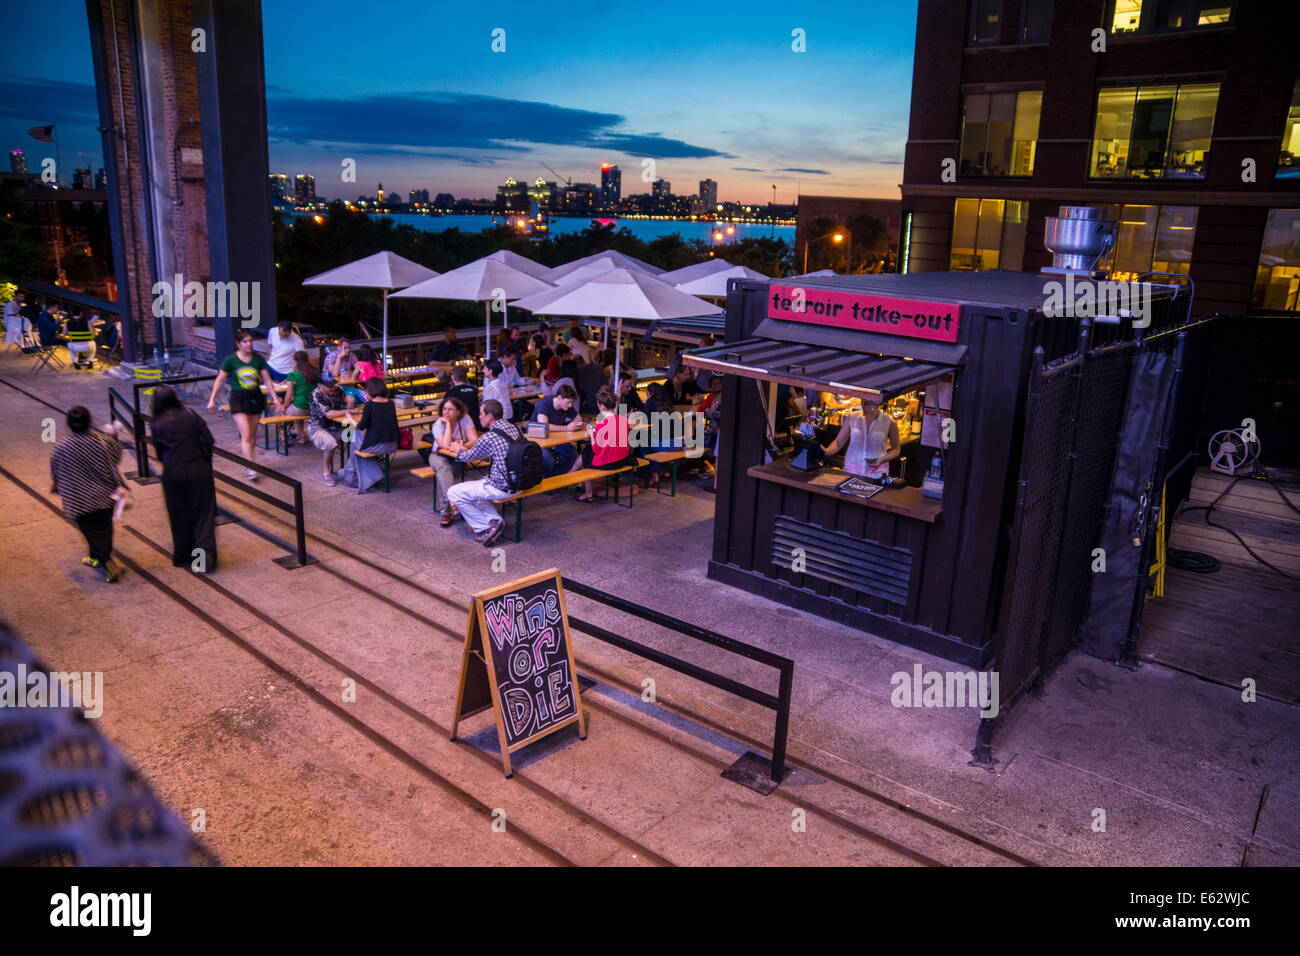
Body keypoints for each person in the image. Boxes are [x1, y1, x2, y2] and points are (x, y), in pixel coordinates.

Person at [49, 406, 128, 583]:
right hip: (105, 496)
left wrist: (55, 484)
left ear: (69, 424)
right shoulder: (104, 441)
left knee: (92, 532)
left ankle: (108, 562)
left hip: (79, 499)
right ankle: (95, 557)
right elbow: (115, 459)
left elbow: (55, 470)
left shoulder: (62, 446)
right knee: (103, 529)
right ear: (89, 422)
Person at [151, 385, 218, 572]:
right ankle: (203, 562)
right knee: (203, 516)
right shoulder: (190, 415)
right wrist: (204, 460)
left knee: (179, 515)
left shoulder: (157, 423)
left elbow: (158, 451)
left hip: (173, 472)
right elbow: (209, 440)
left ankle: (183, 556)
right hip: (198, 468)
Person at [207, 328, 282, 481]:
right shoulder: (231, 360)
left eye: (250, 341)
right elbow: (220, 379)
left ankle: (249, 461)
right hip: (238, 398)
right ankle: (251, 466)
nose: (249, 344)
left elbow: (267, 379)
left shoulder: (258, 359)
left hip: (255, 397)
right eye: (245, 341)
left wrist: (274, 397)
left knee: (253, 436)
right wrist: (212, 399)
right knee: (246, 434)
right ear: (238, 344)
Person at [446, 399, 519, 547]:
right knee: (478, 487)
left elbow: (467, 457)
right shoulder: (515, 428)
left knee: (453, 492)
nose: (479, 417)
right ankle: (494, 520)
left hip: (502, 487)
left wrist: (457, 449)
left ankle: (485, 527)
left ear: (490, 417)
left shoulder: (489, 437)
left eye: (481, 414)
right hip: (520, 483)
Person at [572, 386, 638, 502]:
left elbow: (597, 450)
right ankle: (572, 476)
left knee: (586, 454)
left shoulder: (602, 423)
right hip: (622, 459)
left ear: (601, 406)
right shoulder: (623, 420)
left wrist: (591, 434)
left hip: (610, 463)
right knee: (587, 451)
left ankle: (587, 493)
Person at [337, 377, 399, 493]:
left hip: (378, 445)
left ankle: (351, 473)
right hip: (393, 443)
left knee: (354, 438)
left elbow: (361, 426)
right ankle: (348, 472)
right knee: (355, 445)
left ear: (369, 390)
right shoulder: (391, 403)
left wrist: (350, 419)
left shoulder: (370, 405)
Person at [428, 396, 478, 528]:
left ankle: (448, 510)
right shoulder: (439, 424)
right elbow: (444, 445)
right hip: (437, 455)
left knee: (444, 473)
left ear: (458, 412)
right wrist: (449, 424)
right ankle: (451, 506)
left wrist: (463, 446)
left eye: (450, 409)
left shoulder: (465, 419)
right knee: (444, 469)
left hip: (457, 456)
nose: (446, 412)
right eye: (444, 409)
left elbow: (474, 439)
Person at [823, 397, 902, 479]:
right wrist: (828, 451)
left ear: (877, 403)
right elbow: (838, 442)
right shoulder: (852, 417)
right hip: (852, 471)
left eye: (867, 403)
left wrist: (881, 460)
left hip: (877, 472)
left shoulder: (889, 422)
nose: (863, 406)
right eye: (862, 402)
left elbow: (896, 449)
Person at [307, 379, 355, 485]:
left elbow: (347, 407)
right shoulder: (315, 395)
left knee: (357, 436)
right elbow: (329, 414)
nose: (333, 388)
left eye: (333, 385)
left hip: (336, 426)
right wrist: (349, 411)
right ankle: (326, 472)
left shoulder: (338, 389)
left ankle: (350, 470)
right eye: (329, 386)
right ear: (320, 385)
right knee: (330, 443)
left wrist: (350, 403)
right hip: (318, 428)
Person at [530, 383, 584, 476]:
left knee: (574, 456)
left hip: (556, 438)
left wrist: (577, 424)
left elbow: (578, 419)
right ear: (559, 398)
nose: (571, 405)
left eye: (571, 402)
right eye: (568, 402)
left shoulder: (566, 407)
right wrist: (567, 428)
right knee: (548, 460)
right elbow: (544, 426)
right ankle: (546, 483)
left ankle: (559, 479)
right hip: (537, 439)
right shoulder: (544, 404)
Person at [282, 350, 318, 443]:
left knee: (282, 412)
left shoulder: (293, 375)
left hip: (300, 408)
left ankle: (283, 436)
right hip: (314, 408)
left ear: (295, 361)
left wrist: (283, 407)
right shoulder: (315, 373)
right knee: (294, 408)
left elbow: (288, 397)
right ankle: (301, 436)